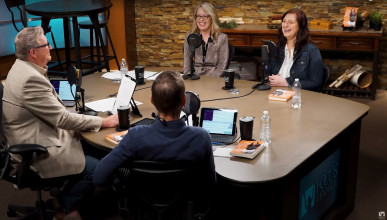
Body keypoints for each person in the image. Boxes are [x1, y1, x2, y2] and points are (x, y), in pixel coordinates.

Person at [2, 26, 119, 220]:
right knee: (97, 168)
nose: (50, 47)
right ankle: (64, 207)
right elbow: (62, 119)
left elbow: (54, 110)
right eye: (45, 44)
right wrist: (103, 121)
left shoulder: (22, 67)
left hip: (38, 133)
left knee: (95, 149)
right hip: (37, 149)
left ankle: (66, 201)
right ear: (33, 52)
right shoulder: (30, 79)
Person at [93, 71, 216, 209]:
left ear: (151, 100)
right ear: (184, 101)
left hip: (141, 212)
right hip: (184, 211)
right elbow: (210, 185)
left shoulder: (135, 136)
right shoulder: (201, 137)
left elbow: (99, 177)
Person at [268, 8, 324, 91]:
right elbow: (269, 74)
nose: (285, 25)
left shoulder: (311, 50)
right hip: (275, 93)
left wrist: (286, 83)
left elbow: (316, 83)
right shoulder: (277, 48)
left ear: (300, 26)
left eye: (291, 22)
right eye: (284, 21)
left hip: (299, 97)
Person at [183, 2, 229, 77]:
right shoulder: (190, 37)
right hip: (194, 78)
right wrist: (188, 79)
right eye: (198, 16)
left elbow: (221, 67)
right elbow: (187, 65)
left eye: (205, 16)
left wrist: (210, 81)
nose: (201, 19)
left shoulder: (222, 38)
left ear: (212, 18)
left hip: (213, 79)